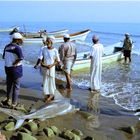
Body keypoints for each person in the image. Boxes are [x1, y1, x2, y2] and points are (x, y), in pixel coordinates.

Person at [2, 33, 24, 107]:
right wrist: (15, 62)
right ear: (17, 40)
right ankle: (14, 103)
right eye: (20, 40)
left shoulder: (7, 46)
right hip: (16, 69)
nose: (21, 41)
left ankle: (8, 99)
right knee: (16, 86)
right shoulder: (17, 47)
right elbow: (21, 57)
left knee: (9, 85)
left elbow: (4, 57)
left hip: (7, 68)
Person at [40, 36, 60, 103]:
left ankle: (51, 95)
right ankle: (48, 95)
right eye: (46, 41)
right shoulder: (44, 49)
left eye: (48, 41)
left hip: (51, 69)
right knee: (45, 81)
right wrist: (44, 65)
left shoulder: (55, 50)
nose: (47, 42)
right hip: (45, 68)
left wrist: (51, 65)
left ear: (52, 42)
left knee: (51, 81)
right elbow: (41, 60)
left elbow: (58, 61)